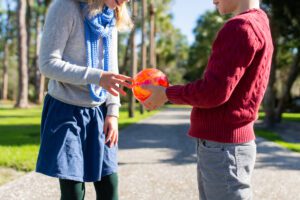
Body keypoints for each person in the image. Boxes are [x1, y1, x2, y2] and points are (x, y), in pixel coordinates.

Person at [141, 0, 273, 199]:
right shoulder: (260, 23)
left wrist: (167, 94)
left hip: (223, 147)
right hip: (230, 145)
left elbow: (214, 92)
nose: (212, 1)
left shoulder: (240, 27)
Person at [36, 0, 133, 199]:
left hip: (99, 110)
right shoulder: (65, 7)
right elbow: (48, 64)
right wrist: (97, 77)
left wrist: (113, 113)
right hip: (65, 110)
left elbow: (111, 70)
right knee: (73, 192)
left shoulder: (110, 16)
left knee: (109, 187)